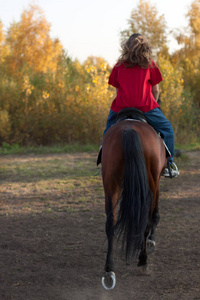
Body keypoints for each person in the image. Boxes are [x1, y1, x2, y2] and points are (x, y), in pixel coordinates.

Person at [101, 33, 179, 178]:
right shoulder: (150, 64)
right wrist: (154, 104)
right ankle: (169, 165)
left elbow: (117, 90)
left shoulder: (119, 66)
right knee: (167, 129)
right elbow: (155, 90)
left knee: (108, 130)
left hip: (121, 107)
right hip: (146, 106)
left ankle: (104, 159)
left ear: (127, 47)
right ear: (145, 47)